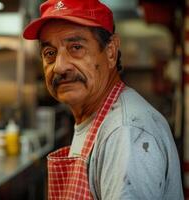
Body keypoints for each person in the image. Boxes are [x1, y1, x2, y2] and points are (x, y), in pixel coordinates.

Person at [23, 0, 184, 199]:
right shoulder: (96, 118)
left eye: (76, 47)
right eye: (50, 53)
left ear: (110, 52)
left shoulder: (125, 132)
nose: (60, 67)